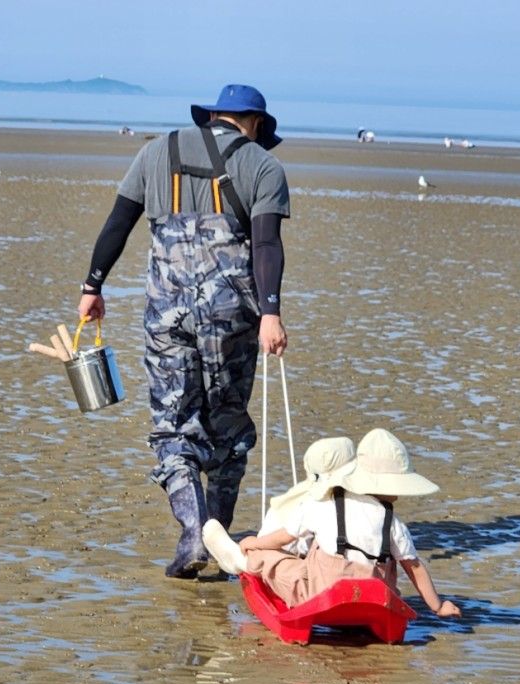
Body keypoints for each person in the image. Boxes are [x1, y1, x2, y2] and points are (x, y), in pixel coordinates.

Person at [77, 84, 290, 579]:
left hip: (166, 313)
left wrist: (93, 285)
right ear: (255, 123)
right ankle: (215, 536)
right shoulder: (263, 167)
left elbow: (118, 222)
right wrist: (272, 312)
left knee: (173, 423)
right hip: (232, 317)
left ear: (212, 115)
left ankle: (193, 532)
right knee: (228, 424)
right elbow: (266, 246)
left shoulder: (154, 152)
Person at [203, 427, 461, 618]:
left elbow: (284, 537)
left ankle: (239, 560)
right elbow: (413, 567)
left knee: (271, 558)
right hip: (372, 600)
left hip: (318, 595)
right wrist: (437, 606)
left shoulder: (324, 504)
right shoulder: (392, 522)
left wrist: (255, 543)